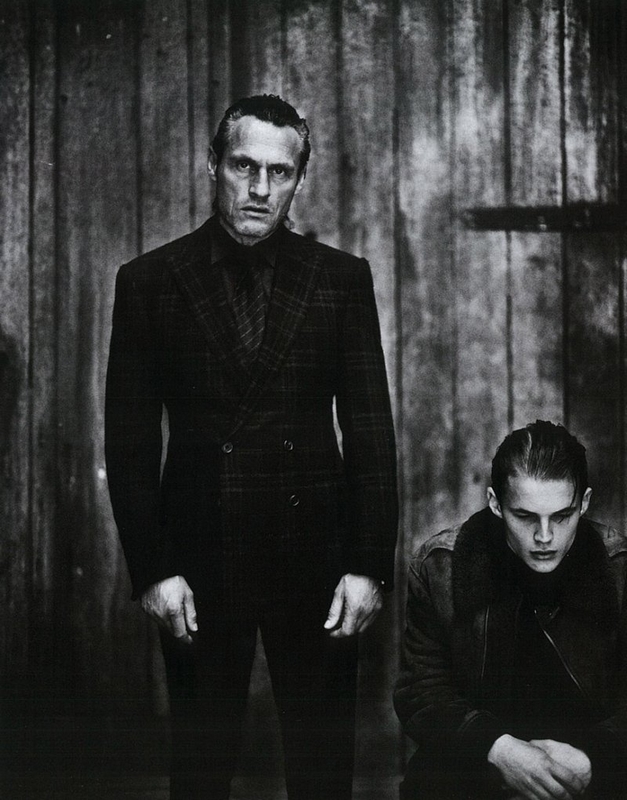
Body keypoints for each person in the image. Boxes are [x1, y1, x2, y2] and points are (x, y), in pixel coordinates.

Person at [105, 94, 398, 799]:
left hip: (316, 557)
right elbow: (131, 442)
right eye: (243, 166)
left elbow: (370, 434)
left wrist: (367, 565)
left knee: (323, 771)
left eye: (279, 172)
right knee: (200, 768)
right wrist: (153, 571)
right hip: (200, 560)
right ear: (213, 165)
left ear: (299, 179)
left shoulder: (340, 279)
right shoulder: (149, 282)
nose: (260, 188)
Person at [394, 420, 627, 800]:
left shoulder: (620, 569)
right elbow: (421, 691)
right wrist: (498, 749)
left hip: (588, 768)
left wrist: (593, 758)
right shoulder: (439, 567)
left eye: (562, 516)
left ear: (584, 503)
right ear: (495, 503)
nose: (545, 537)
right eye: (525, 516)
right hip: (475, 766)